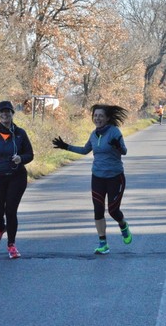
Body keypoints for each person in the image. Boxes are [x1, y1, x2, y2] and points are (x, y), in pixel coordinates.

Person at [52, 104, 132, 255]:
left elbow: (124, 151)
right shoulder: (93, 135)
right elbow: (84, 150)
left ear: (107, 118)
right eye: (95, 116)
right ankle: (103, 244)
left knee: (113, 211)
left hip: (115, 177)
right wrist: (66, 146)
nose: (98, 118)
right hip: (97, 177)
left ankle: (123, 226)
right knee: (98, 210)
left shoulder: (114, 132)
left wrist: (117, 146)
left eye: (101, 116)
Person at [0, 101, 34, 259]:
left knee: (10, 211)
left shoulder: (20, 133)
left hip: (16, 177)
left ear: (12, 114)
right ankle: (0, 227)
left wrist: (21, 158)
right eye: (2, 112)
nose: (5, 115)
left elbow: (30, 154)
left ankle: (11, 245)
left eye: (8, 112)